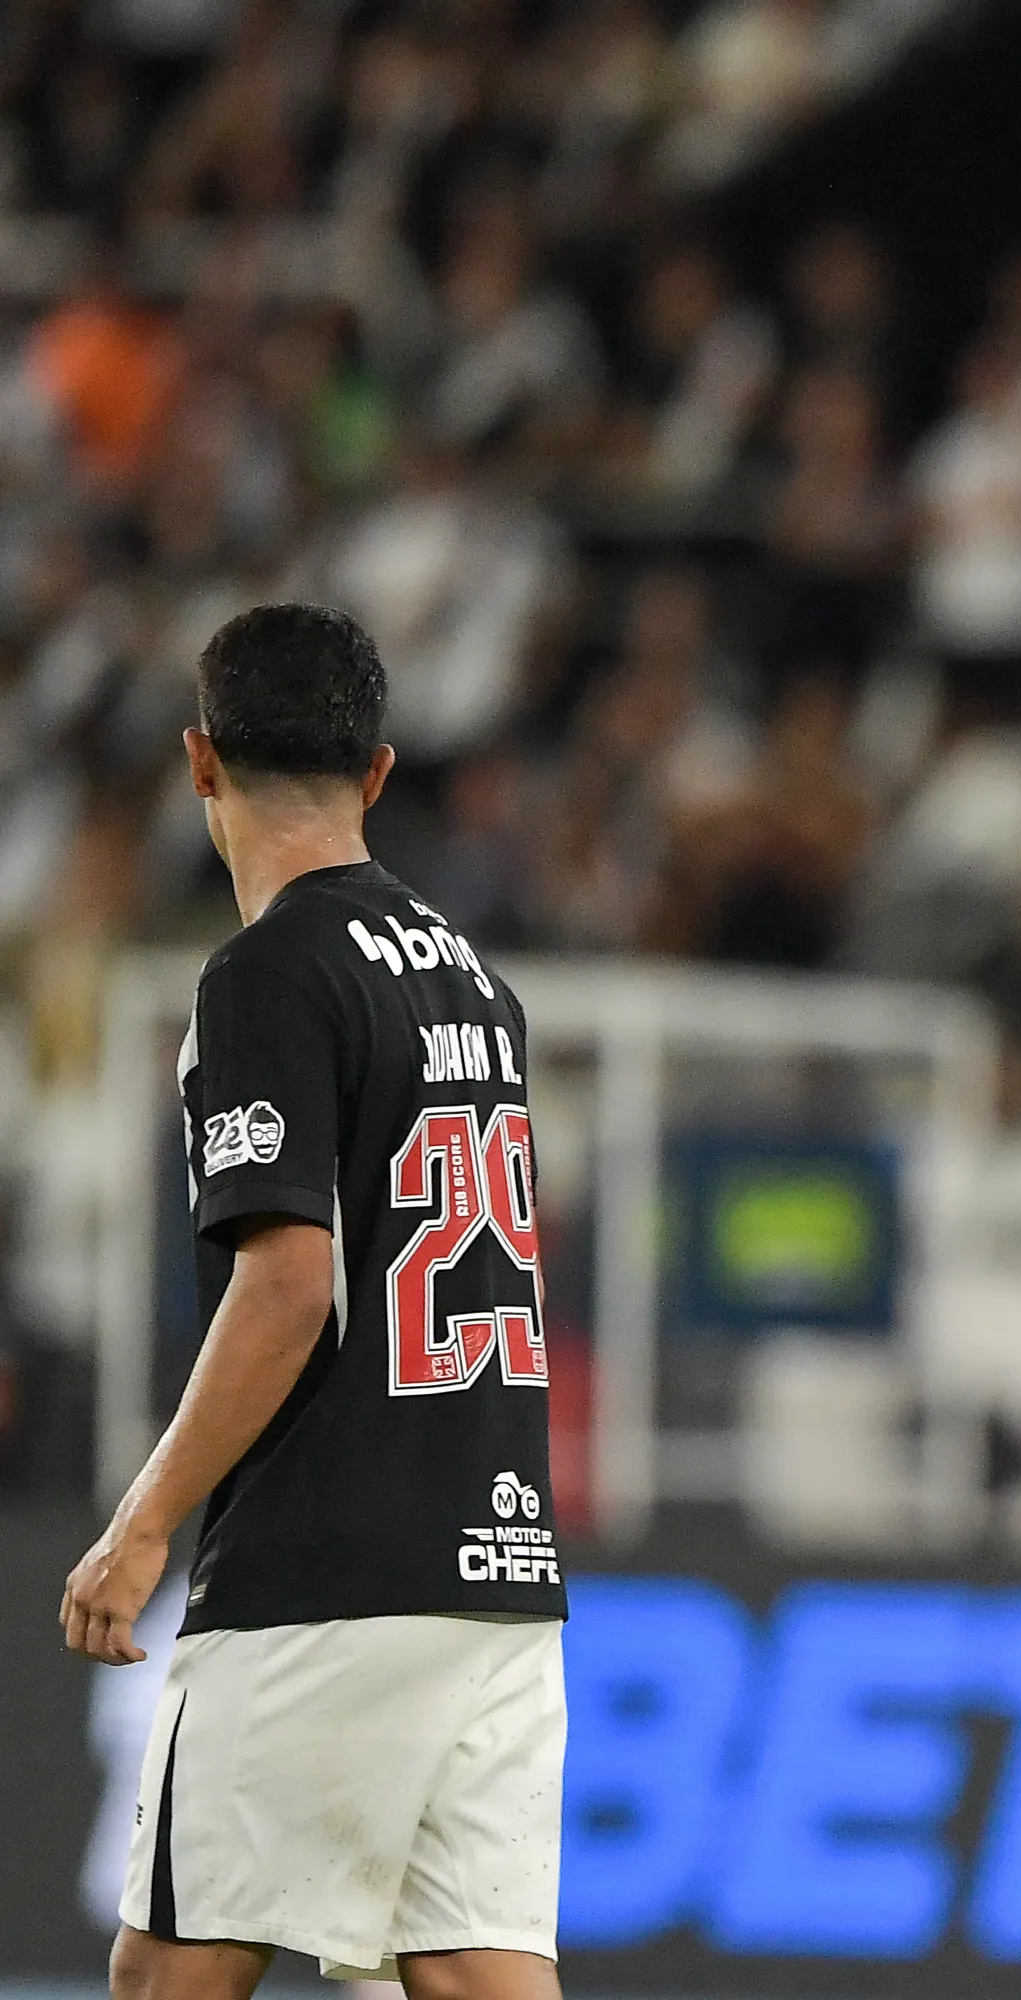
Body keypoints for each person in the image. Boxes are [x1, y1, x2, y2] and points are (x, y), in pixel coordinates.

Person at [60, 604, 567, 2000]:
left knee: (170, 1973)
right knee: (477, 1974)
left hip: (323, 1573)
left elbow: (289, 1285)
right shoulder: (480, 980)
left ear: (200, 762)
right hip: (498, 1564)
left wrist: (144, 1519)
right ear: (382, 772)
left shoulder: (267, 973)